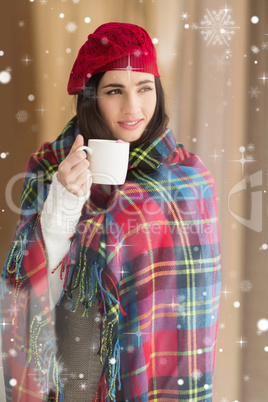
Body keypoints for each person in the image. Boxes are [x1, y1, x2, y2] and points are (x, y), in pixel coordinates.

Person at [0, 22, 221, 401]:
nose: (133, 108)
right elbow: (28, 293)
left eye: (144, 88)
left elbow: (190, 311)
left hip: (149, 380)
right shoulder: (50, 165)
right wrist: (64, 201)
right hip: (68, 382)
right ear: (92, 97)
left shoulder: (188, 179)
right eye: (115, 90)